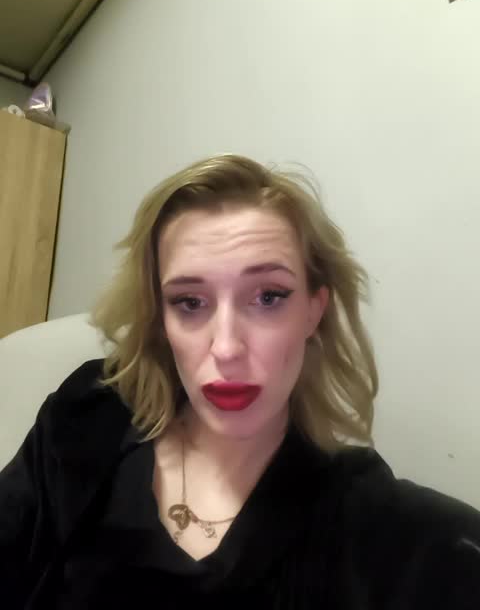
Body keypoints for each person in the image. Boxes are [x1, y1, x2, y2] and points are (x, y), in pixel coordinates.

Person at [1, 153, 479, 609]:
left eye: (268, 297)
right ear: (160, 319)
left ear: (314, 310)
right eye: (190, 302)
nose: (227, 347)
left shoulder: (364, 520)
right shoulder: (87, 417)